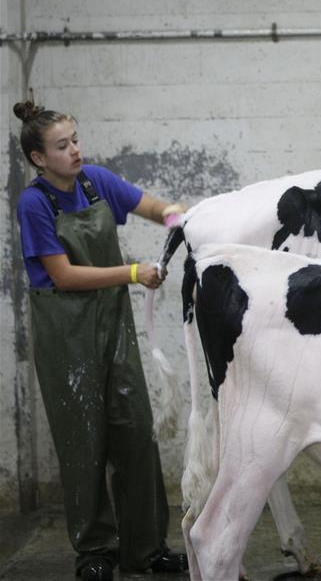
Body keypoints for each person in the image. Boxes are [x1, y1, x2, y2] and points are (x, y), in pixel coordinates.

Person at [13, 101, 189, 581]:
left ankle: (147, 549)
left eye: (75, 140)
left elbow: (148, 204)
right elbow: (63, 275)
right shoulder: (35, 204)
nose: (74, 150)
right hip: (65, 335)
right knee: (83, 439)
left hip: (112, 327)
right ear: (38, 158)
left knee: (135, 430)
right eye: (62, 145)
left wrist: (178, 216)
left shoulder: (95, 180)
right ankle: (95, 550)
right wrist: (133, 272)